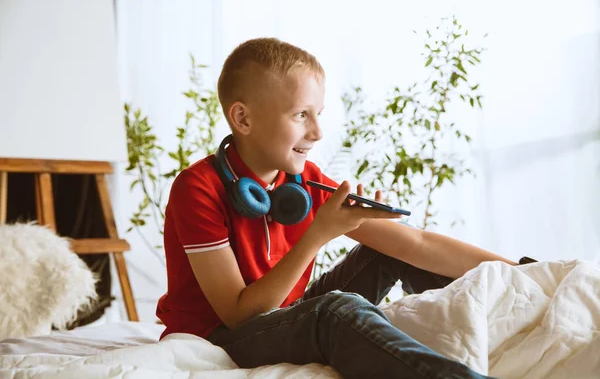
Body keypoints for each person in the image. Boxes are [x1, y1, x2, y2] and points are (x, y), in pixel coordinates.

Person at [156, 37, 530, 378]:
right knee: (334, 310)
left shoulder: (304, 180)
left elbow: (416, 244)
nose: (317, 132)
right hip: (221, 337)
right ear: (243, 118)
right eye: (301, 114)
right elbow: (238, 316)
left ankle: (509, 325)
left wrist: (522, 271)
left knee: (386, 254)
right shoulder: (198, 189)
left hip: (283, 316)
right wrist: (318, 234)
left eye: (319, 113)